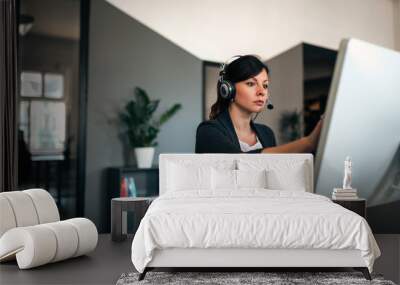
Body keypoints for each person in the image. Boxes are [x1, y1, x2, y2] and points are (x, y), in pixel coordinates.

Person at [195, 55, 322, 154]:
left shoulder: (267, 133)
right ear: (228, 89)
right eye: (251, 83)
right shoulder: (208, 131)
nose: (261, 92)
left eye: (265, 85)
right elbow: (240, 165)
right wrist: (308, 143)